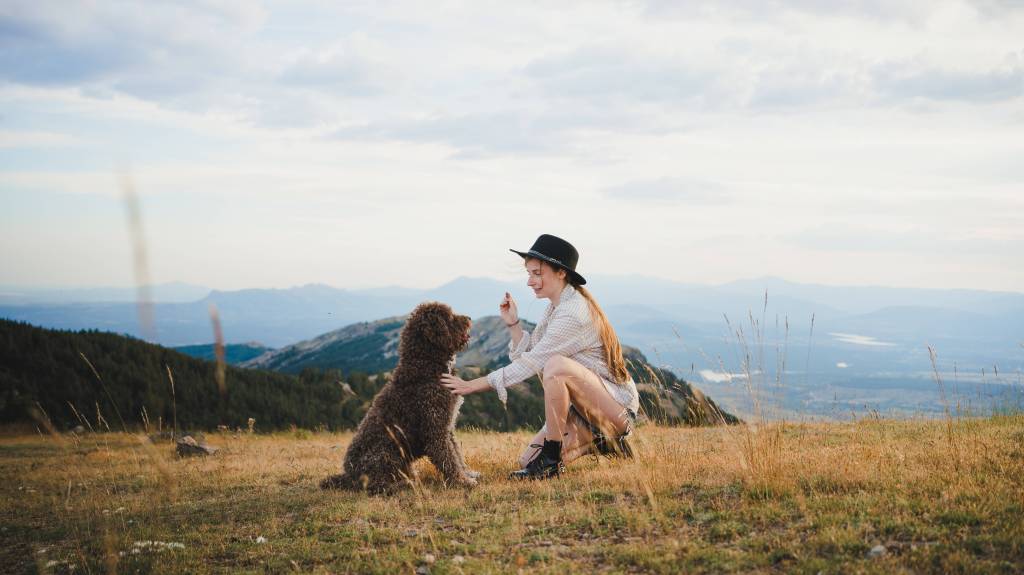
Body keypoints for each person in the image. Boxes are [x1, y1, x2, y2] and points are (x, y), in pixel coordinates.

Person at [441, 234, 641, 480]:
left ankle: (552, 462)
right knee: (526, 461)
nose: (529, 281)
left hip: (615, 408)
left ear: (561, 273)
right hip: (584, 410)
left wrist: (472, 385)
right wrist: (513, 324)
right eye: (529, 273)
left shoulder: (572, 313)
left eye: (536, 273)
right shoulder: (555, 306)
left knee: (556, 366)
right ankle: (603, 442)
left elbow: (532, 363)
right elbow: (533, 350)